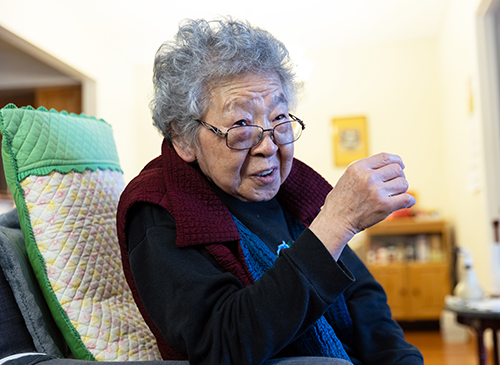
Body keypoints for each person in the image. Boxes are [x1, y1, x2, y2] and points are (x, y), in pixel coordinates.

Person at [116, 17, 424, 365]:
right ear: (184, 137)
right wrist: (335, 223)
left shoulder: (292, 189)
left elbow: (362, 296)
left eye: (279, 118)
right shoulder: (161, 209)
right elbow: (222, 344)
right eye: (241, 125)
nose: (269, 146)